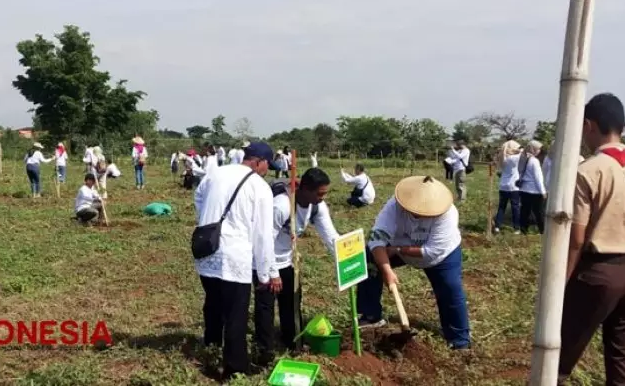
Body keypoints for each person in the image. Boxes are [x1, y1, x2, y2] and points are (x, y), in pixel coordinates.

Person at [559, 93, 625, 385]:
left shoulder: (588, 172)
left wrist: (560, 282)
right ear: (623, 127)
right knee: (623, 362)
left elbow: (576, 239)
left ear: (588, 125)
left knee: (558, 355)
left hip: (596, 273)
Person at [194, 141, 277, 379]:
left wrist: (207, 220)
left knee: (213, 305)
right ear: (258, 161)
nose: (267, 171)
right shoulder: (260, 187)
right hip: (234, 257)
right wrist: (265, 274)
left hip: (207, 250)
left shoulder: (216, 173)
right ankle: (235, 368)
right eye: (266, 166)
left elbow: (198, 197)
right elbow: (263, 235)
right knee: (235, 314)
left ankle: (211, 350)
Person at [358, 175, 470, 349]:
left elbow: (431, 251)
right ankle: (370, 315)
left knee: (450, 288)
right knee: (371, 259)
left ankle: (459, 339)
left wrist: (397, 250)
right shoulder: (395, 206)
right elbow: (376, 238)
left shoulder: (447, 214)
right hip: (399, 247)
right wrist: (386, 270)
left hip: (440, 256)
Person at [254, 168, 339, 363]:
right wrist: (272, 273)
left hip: (289, 260)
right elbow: (265, 240)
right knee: (265, 305)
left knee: (292, 302)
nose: (322, 197)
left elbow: (331, 236)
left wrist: (345, 260)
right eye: (320, 193)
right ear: (306, 189)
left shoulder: (317, 206)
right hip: (265, 260)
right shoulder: (281, 206)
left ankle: (292, 342)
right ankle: (264, 351)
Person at [517, 140, 547, 234]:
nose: (539, 151)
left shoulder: (524, 158)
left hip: (524, 189)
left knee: (525, 211)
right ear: (533, 149)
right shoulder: (534, 161)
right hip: (534, 190)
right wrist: (543, 191)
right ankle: (543, 230)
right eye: (538, 149)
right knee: (539, 212)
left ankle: (523, 230)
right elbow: (538, 178)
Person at [493, 140, 522, 234]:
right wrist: (519, 150)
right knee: (515, 207)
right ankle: (517, 227)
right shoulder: (514, 158)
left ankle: (497, 226)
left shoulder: (501, 157)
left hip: (503, 185)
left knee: (502, 207)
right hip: (514, 186)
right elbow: (524, 153)